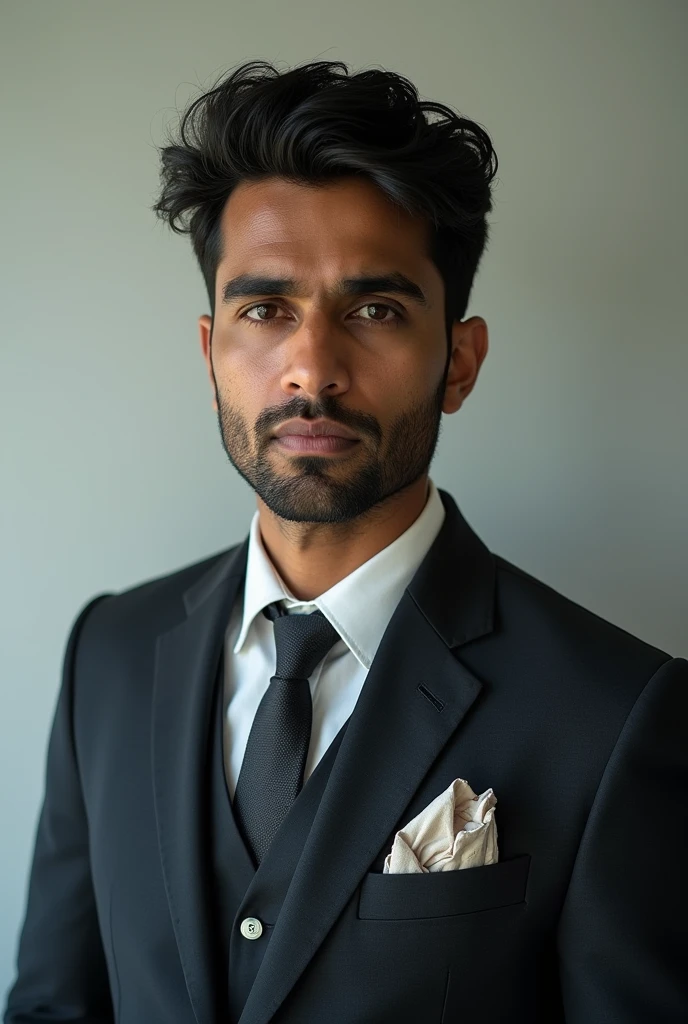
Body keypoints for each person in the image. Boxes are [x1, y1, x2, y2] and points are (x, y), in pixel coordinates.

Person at [4, 59, 686, 1024]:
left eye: (375, 310)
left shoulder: (616, 714)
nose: (311, 369)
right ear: (211, 355)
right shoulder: (109, 653)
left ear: (461, 360)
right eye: (265, 309)